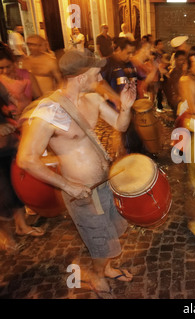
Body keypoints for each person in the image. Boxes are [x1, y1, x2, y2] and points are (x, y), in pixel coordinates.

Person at [16, 49, 136, 296]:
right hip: (81, 193)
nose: (100, 78)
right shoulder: (49, 112)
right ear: (81, 76)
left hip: (105, 184)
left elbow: (120, 125)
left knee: (114, 231)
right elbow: (26, 159)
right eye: (96, 73)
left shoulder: (92, 100)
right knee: (100, 243)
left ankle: (107, 268)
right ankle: (95, 275)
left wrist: (125, 107)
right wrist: (67, 186)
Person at [0, 79, 44, 253]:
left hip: (7, 148)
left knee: (14, 188)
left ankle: (21, 226)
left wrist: (13, 118)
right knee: (2, 196)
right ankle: (6, 236)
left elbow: (11, 109)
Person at [0, 43, 41, 117]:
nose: (5, 71)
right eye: (1, 68)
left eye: (8, 66)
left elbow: (39, 98)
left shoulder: (26, 75)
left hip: (27, 116)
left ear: (14, 63)